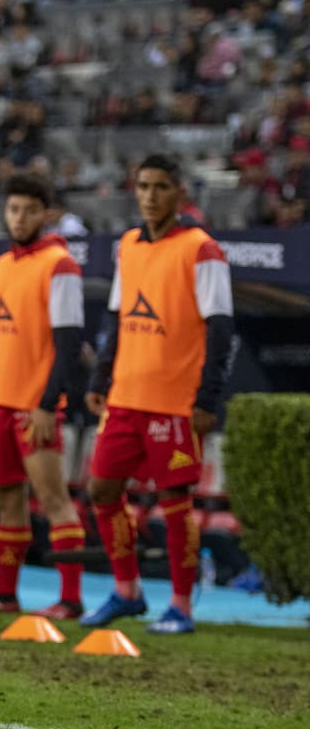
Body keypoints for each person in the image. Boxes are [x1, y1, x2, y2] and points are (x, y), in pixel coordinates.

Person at [80, 154, 234, 635]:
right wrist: (101, 379)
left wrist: (207, 399)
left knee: (175, 502)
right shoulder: (128, 244)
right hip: (126, 395)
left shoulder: (201, 248)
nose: (150, 195)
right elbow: (116, 315)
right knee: (102, 490)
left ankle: (182, 605)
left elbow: (221, 328)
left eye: (160, 187)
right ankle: (128, 592)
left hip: (175, 401)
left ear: (179, 192)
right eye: (143, 186)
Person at [0, 174, 88, 619]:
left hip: (34, 406)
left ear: (47, 214)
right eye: (13, 209)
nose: (19, 218)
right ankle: (5, 592)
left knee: (54, 499)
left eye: (29, 210)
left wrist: (47, 403)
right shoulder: (1, 267)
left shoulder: (60, 264)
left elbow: (70, 344)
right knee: (6, 500)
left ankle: (71, 599)